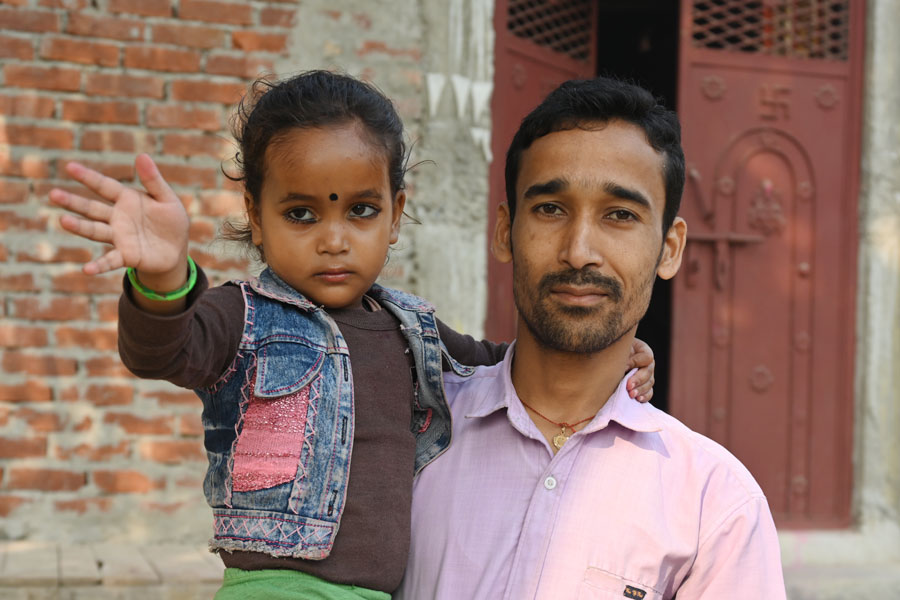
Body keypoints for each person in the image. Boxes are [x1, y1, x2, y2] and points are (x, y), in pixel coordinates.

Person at [48, 71, 656, 599]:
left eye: (360, 211)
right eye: (302, 214)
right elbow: (165, 349)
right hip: (278, 590)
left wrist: (612, 362)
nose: (333, 238)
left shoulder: (413, 327)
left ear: (395, 214)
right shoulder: (243, 316)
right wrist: (164, 278)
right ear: (256, 218)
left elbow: (504, 368)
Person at [397, 76, 787, 599]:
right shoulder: (408, 434)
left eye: (620, 215)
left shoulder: (713, 504)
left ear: (669, 249)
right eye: (550, 209)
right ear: (504, 231)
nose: (579, 251)